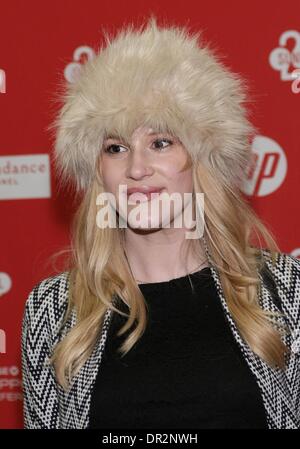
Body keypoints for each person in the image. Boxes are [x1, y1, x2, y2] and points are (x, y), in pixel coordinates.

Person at [21, 15, 300, 429]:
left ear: (203, 157)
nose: (137, 167)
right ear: (99, 172)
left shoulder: (284, 291)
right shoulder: (53, 310)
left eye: (160, 142)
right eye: (115, 147)